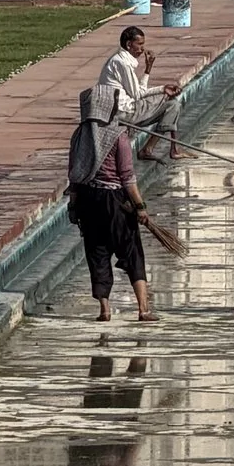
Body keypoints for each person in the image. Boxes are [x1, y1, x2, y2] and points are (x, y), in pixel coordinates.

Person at [65, 81, 171, 323]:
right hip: (115, 202)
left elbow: (73, 174)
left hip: (88, 201)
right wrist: (141, 207)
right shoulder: (117, 136)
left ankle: (105, 309)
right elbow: (127, 177)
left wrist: (73, 205)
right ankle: (143, 309)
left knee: (97, 251)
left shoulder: (80, 136)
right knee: (132, 250)